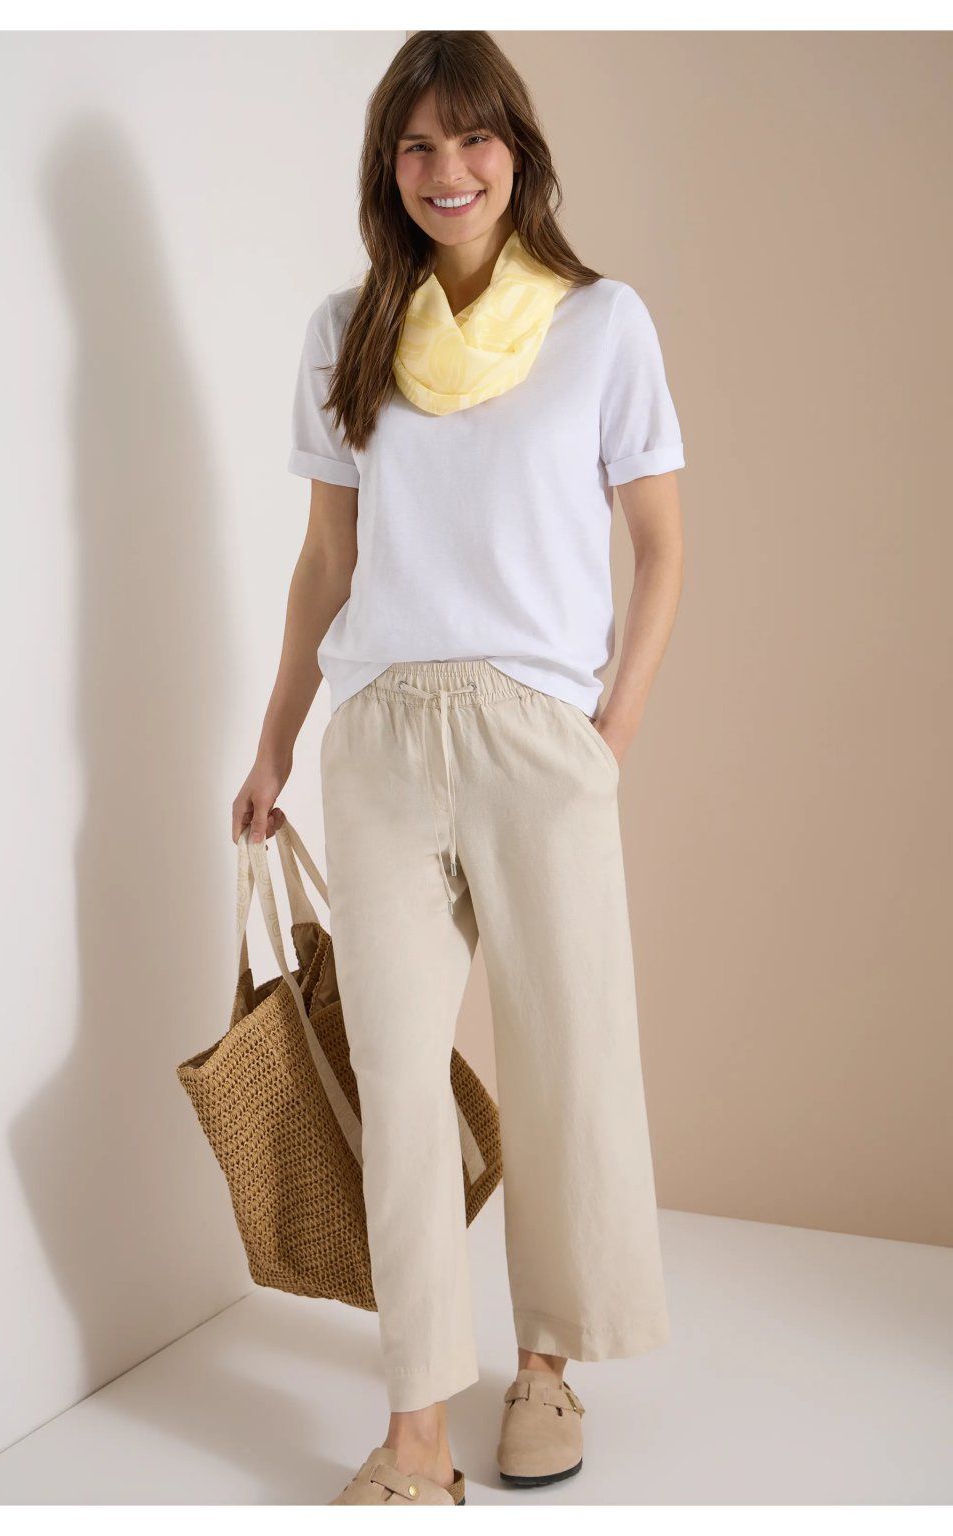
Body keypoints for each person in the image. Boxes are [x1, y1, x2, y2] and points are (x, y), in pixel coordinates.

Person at [231, 30, 686, 1508]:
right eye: (416, 146)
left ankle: (544, 1366)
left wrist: (608, 737)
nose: (447, 170)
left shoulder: (602, 324)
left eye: (471, 138)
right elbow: (326, 563)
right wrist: (275, 739)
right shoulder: (345, 330)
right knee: (398, 1082)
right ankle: (416, 1430)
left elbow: (662, 547)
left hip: (536, 735)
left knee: (565, 1064)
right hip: (380, 740)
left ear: (517, 150)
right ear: (389, 169)